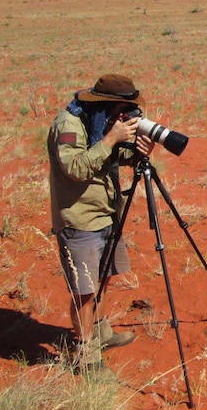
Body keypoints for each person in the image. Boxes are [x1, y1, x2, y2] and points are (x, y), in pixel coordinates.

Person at [47, 74, 155, 370]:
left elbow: (109, 157)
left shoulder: (100, 123)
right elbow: (76, 167)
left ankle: (101, 333)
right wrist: (112, 138)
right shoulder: (68, 124)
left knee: (103, 280)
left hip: (107, 213)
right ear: (107, 105)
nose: (125, 115)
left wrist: (134, 152)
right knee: (85, 291)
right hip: (80, 219)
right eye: (122, 108)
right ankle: (86, 355)